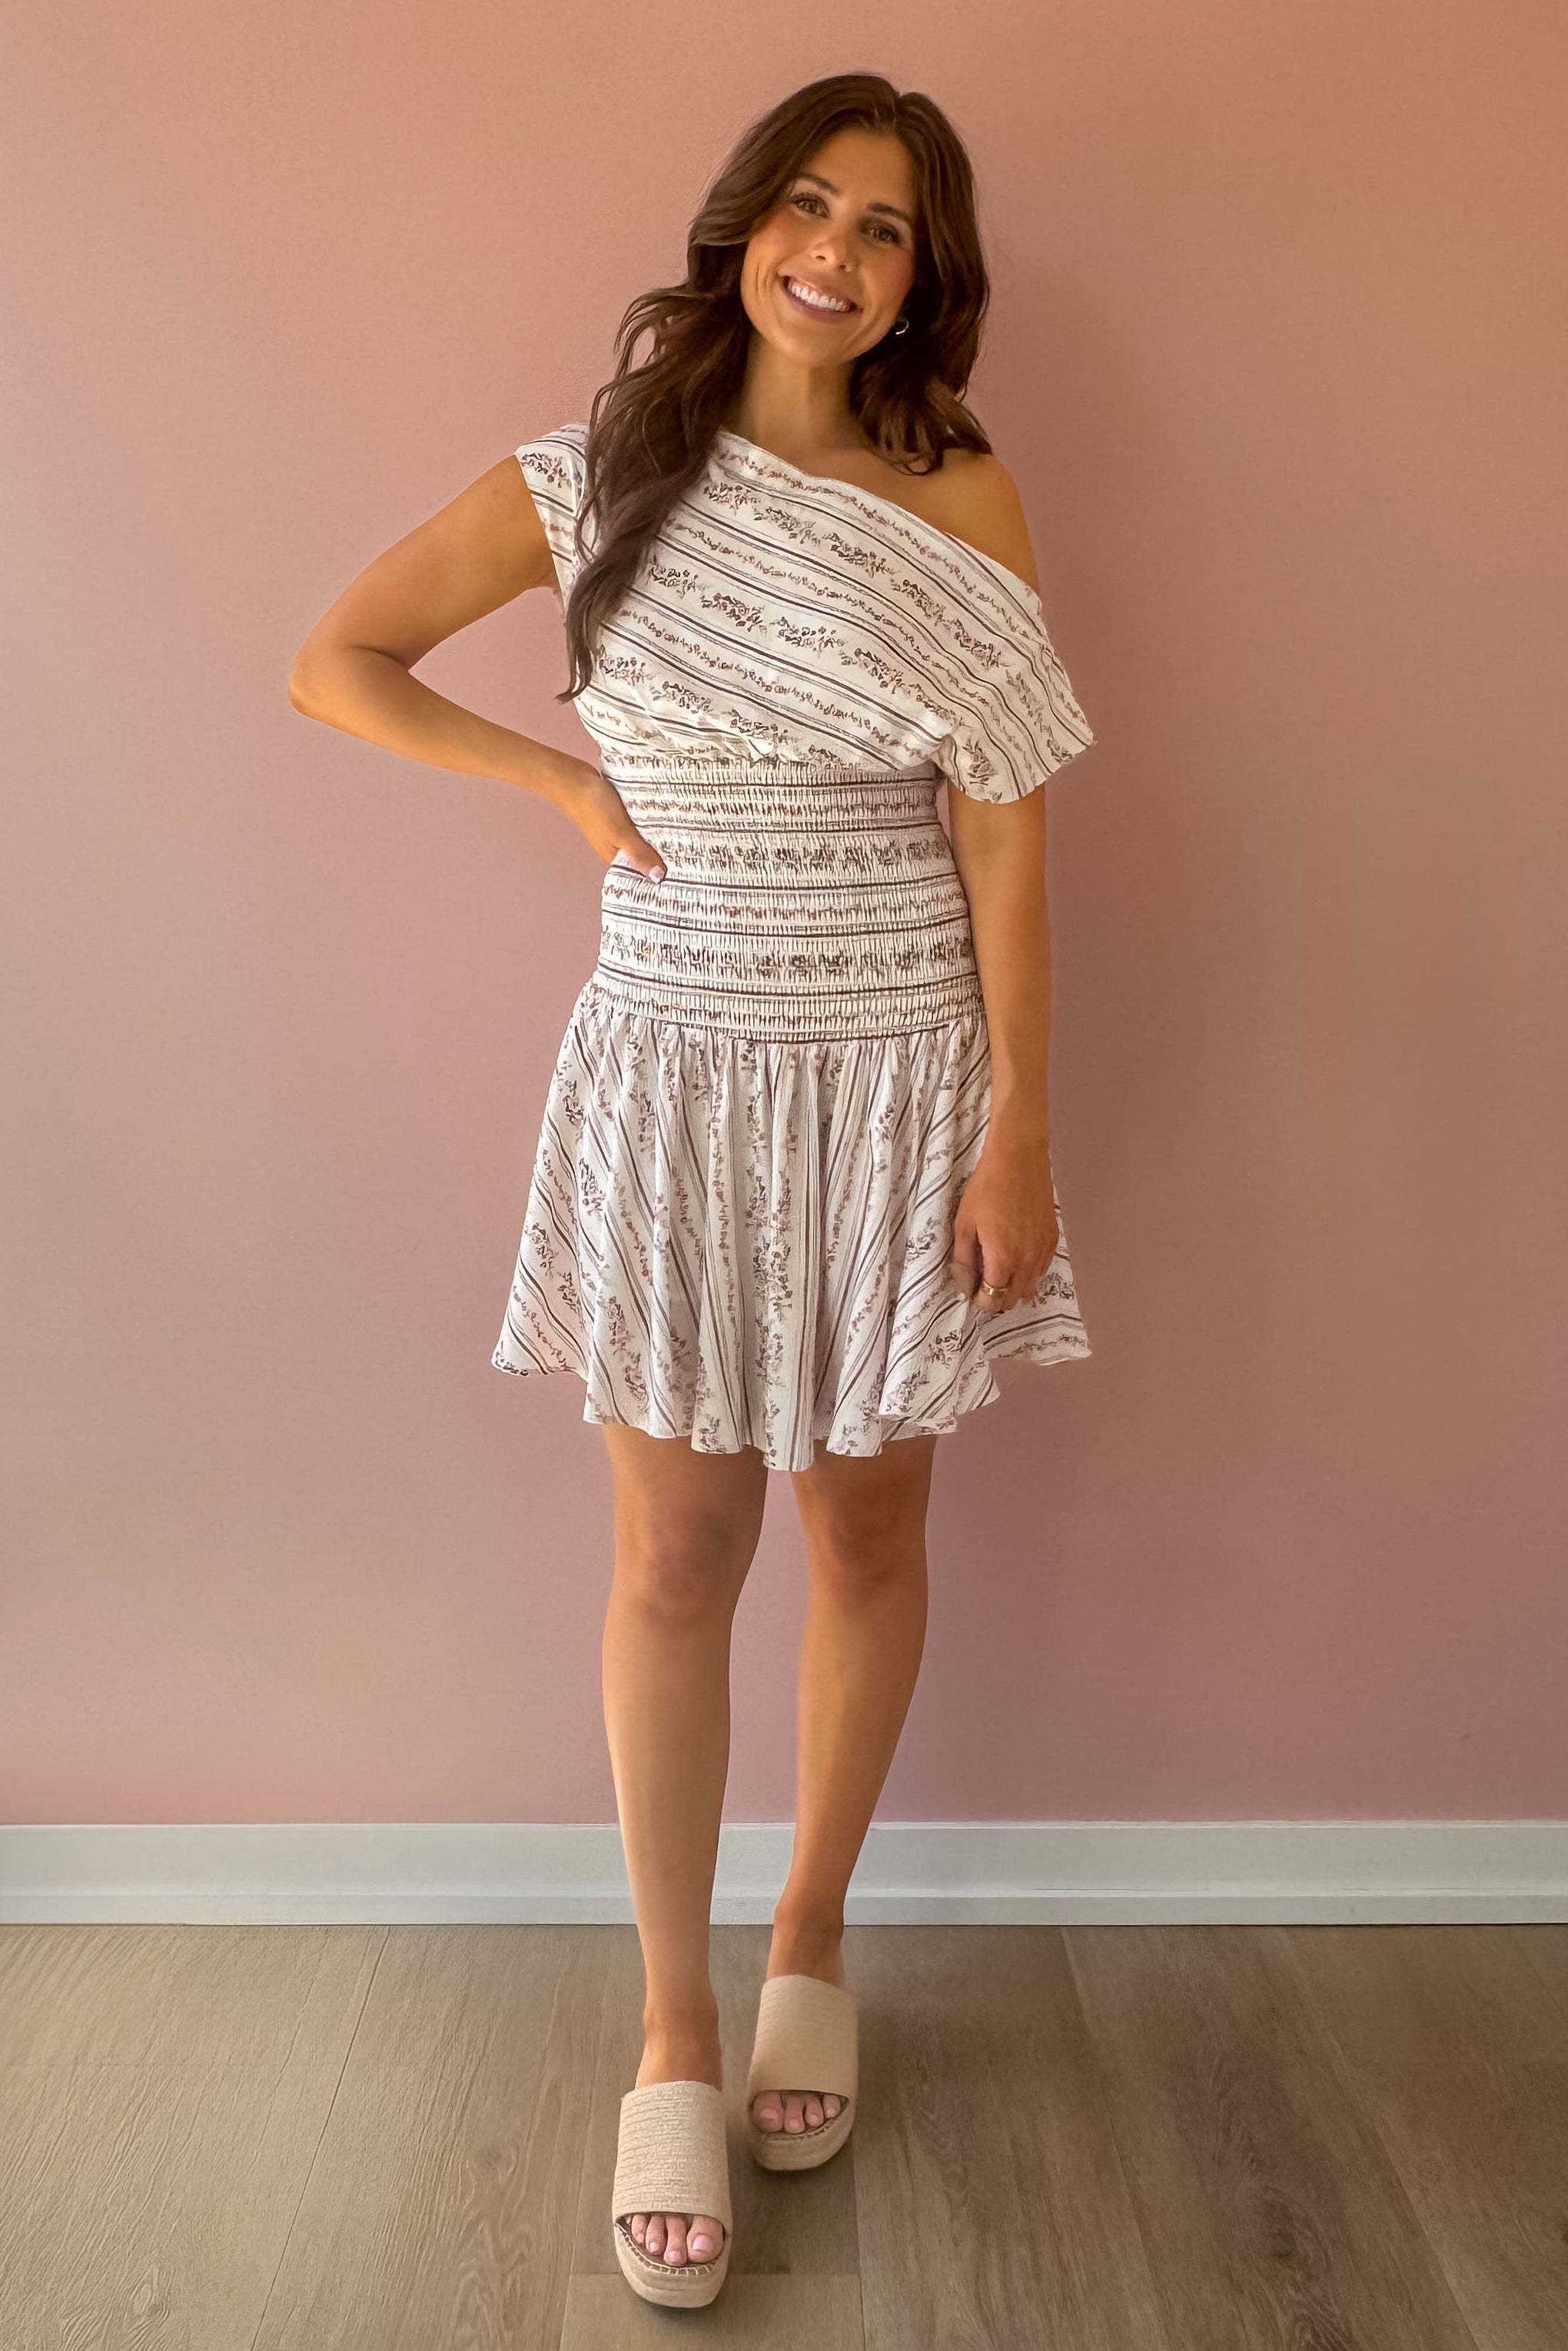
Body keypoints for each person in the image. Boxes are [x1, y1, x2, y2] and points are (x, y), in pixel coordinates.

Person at [289, 68, 1095, 2311]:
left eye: (892, 230)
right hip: (674, 1060)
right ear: (743, 223)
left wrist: (1020, 1125)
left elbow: (1014, 815)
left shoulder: (965, 491)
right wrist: (550, 783)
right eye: (812, 207)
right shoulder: (597, 475)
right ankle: (670, 2016)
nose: (838, 253)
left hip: (901, 1069)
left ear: (929, 279)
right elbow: (331, 655)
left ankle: (813, 1937)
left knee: (867, 1521)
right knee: (674, 1547)